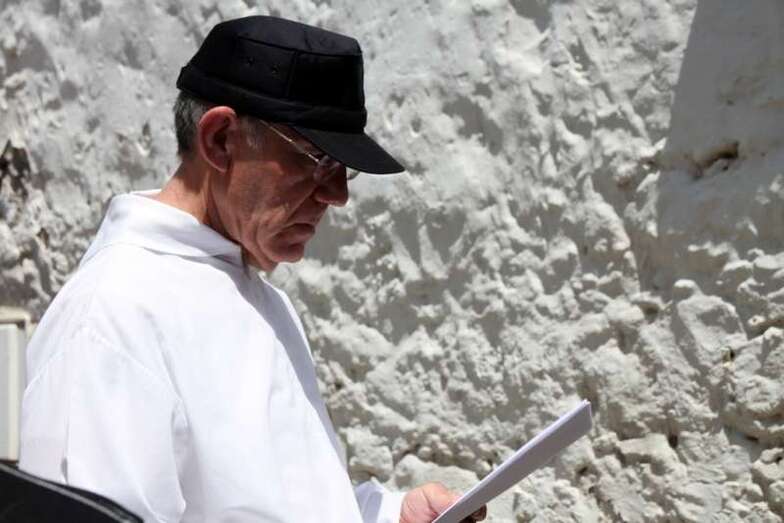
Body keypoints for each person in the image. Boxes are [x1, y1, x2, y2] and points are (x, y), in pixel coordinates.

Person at [18, 15, 487, 523]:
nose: (338, 195)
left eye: (343, 169)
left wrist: (391, 514)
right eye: (318, 160)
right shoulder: (112, 316)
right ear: (221, 139)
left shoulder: (258, 297)